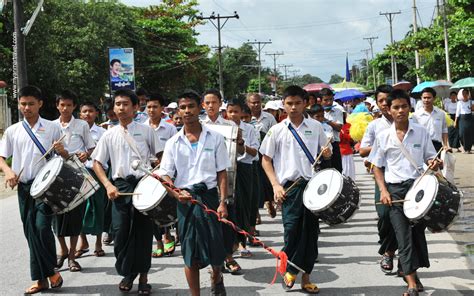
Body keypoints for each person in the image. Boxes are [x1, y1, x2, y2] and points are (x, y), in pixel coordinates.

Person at [157, 90, 230, 296]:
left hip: (209, 198)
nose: (187, 111)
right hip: (185, 201)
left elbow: (222, 172)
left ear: (200, 108)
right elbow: (165, 176)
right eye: (183, 107)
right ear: (178, 110)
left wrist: (223, 202)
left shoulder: (215, 138)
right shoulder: (173, 142)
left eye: (191, 106)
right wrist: (175, 193)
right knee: (189, 252)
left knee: (215, 246)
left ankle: (217, 275)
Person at [369, 89, 440, 296]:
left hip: (418, 190)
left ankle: (410, 272)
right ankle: (410, 282)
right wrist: (383, 190)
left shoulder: (420, 132)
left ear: (410, 108)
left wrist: (434, 162)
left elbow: (429, 157)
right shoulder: (383, 136)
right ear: (389, 111)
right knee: (403, 235)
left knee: (417, 234)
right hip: (395, 191)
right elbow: (376, 166)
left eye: (404, 106)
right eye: (396, 107)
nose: (400, 111)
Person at [261, 85, 331, 294]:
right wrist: (275, 185)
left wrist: (326, 153)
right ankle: (288, 267)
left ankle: (305, 277)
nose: (293, 107)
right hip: (289, 188)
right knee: (291, 231)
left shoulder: (316, 127)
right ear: (283, 104)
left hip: (312, 186)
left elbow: (326, 154)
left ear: (305, 103)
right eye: (289, 103)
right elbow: (266, 159)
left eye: (297, 103)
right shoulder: (277, 130)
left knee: (310, 233)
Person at [92, 89, 162, 294]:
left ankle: (143, 277)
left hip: (143, 186)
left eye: (125, 104)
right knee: (120, 232)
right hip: (120, 188)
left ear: (135, 107)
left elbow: (162, 155)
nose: (121, 108)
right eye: (117, 104)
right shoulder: (109, 134)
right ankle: (127, 273)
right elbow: (97, 163)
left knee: (142, 232)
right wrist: (108, 185)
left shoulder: (146, 130)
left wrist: (156, 175)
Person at [0, 85, 67, 294]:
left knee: (41, 227)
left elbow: (65, 157)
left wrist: (62, 151)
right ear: (19, 105)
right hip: (24, 187)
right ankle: (42, 279)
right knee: (30, 232)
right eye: (23, 104)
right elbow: (1, 157)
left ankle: (51, 273)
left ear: (40, 104)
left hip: (46, 187)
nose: (26, 107)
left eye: (31, 103)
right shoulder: (13, 130)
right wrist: (9, 172)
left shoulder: (53, 127)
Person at [200, 89, 243, 274]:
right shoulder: (197, 126)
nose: (211, 105)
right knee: (209, 223)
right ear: (203, 105)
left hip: (227, 179)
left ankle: (228, 256)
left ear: (220, 104)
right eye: (207, 102)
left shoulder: (230, 126)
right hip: (205, 181)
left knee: (227, 221)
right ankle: (214, 261)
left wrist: (239, 142)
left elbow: (239, 154)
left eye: (214, 102)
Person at [53, 90, 95, 272]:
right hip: (56, 175)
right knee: (57, 214)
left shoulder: (82, 125)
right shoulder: (51, 126)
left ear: (74, 107)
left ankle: (72, 257)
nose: (65, 108)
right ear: (57, 106)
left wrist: (86, 155)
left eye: (69, 105)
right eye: (62, 105)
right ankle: (62, 249)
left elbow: (91, 147)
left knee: (75, 215)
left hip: (77, 174)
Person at [359, 84, 399, 274]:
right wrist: (381, 144)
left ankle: (398, 258)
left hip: (406, 176)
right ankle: (387, 249)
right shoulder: (375, 126)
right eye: (380, 101)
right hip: (382, 174)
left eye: (387, 100)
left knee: (406, 219)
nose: (384, 104)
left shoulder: (409, 121)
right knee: (384, 215)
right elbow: (362, 150)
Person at [144, 92, 178, 258]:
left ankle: (168, 235)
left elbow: (174, 151)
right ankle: (158, 240)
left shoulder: (170, 128)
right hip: (146, 173)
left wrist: (163, 163)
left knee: (167, 206)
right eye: (148, 107)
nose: (151, 110)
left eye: (155, 107)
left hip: (166, 172)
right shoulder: (142, 127)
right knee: (152, 208)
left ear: (162, 109)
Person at [226, 99, 260, 258]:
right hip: (226, 169)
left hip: (245, 168)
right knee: (229, 205)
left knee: (244, 205)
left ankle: (242, 241)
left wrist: (241, 143)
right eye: (230, 111)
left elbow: (254, 153)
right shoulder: (221, 128)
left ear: (242, 113)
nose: (233, 115)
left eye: (236, 112)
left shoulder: (250, 129)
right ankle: (230, 242)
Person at [77, 101, 108, 258]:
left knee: (98, 207)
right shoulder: (74, 130)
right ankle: (83, 241)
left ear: (96, 113)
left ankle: (98, 243)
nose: (87, 114)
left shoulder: (103, 133)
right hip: (78, 173)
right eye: (84, 111)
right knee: (79, 208)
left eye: (90, 111)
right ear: (80, 114)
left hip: (97, 172)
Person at [246, 93, 277, 218]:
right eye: (253, 102)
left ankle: (269, 201)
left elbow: (275, 134)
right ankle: (256, 213)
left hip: (266, 154)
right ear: (248, 103)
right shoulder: (245, 117)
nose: (256, 105)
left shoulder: (269, 118)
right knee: (254, 184)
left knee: (266, 180)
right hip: (250, 154)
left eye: (258, 102)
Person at [412, 87, 449, 152]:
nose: (426, 100)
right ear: (421, 98)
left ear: (434, 98)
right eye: (424, 98)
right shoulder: (416, 115)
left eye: (429, 98)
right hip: (422, 146)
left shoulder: (440, 113)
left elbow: (444, 130)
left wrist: (445, 145)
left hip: (437, 146)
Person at [320, 88, 344, 173]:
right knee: (323, 171)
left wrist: (325, 120)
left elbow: (339, 128)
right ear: (320, 100)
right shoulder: (317, 111)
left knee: (337, 171)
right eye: (326, 100)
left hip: (334, 144)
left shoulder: (338, 111)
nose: (329, 102)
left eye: (331, 99)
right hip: (321, 146)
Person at [454, 88, 473, 154]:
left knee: (469, 134)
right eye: (463, 93)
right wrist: (455, 121)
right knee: (461, 133)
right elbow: (457, 112)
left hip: (470, 118)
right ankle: (464, 147)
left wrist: (472, 107)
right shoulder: (459, 102)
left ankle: (468, 149)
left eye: (466, 93)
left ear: (468, 94)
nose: (464, 95)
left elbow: (473, 110)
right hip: (462, 118)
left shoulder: (472, 102)